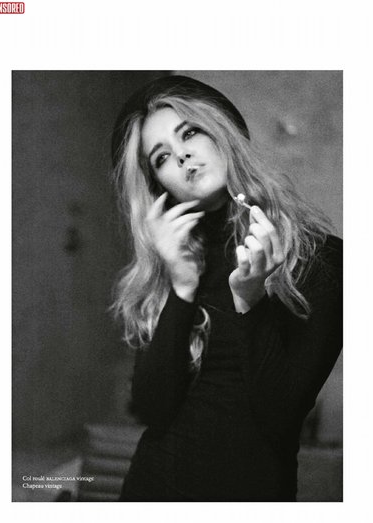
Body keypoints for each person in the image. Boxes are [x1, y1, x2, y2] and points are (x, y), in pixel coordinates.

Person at [110, 75, 342, 501]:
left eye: (189, 133)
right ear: (159, 186)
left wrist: (250, 303)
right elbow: (152, 409)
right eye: (161, 157)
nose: (182, 155)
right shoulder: (170, 266)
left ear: (221, 133)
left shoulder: (321, 258)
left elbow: (280, 419)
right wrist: (181, 286)